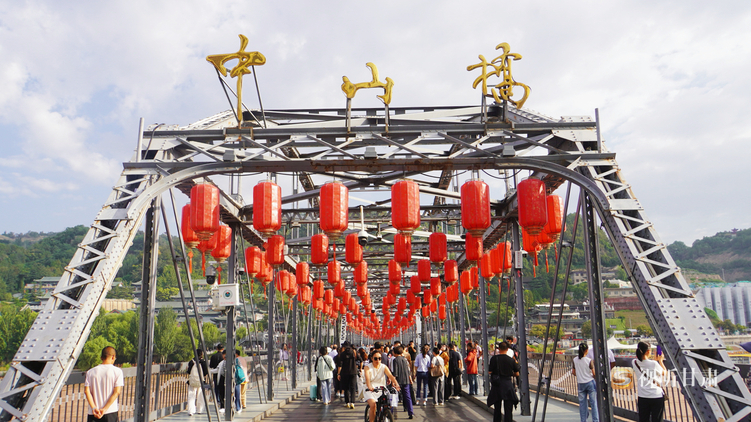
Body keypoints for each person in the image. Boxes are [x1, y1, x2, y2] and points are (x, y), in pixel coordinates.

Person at [84, 346, 124, 422]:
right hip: (110, 411)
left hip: (93, 413)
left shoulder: (90, 372)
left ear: (101, 358)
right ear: (113, 357)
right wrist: (104, 409)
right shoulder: (117, 371)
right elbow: (117, 392)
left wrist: (94, 408)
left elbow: (87, 391)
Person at [632, 341, 666, 422]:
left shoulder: (634, 362)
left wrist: (654, 360)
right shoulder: (654, 364)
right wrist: (660, 361)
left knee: (643, 419)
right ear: (648, 351)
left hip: (642, 396)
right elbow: (664, 373)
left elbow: (645, 364)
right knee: (657, 420)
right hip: (656, 396)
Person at [364, 350, 400, 422]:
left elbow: (390, 376)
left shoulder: (383, 367)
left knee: (387, 403)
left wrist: (396, 384)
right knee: (373, 405)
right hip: (370, 389)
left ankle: (384, 415)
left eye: (379, 358)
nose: (378, 360)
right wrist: (369, 387)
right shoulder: (367, 367)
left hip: (381, 388)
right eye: (375, 358)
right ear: (372, 358)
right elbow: (367, 379)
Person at [487, 342, 520, 422]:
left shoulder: (494, 359)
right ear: (507, 349)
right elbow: (517, 373)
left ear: (499, 349)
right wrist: (509, 373)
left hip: (497, 385)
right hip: (507, 384)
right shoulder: (511, 360)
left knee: (497, 408)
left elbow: (490, 371)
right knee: (508, 408)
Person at [573, 343, 598, 422]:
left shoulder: (575, 360)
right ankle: (595, 420)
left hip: (580, 383)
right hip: (590, 382)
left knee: (582, 404)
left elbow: (573, 372)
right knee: (593, 404)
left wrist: (580, 375)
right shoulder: (589, 360)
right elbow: (594, 374)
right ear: (586, 350)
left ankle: (583, 420)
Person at [391, 346, 414, 419]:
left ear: (395, 353)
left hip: (398, 381)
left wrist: (393, 381)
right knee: (407, 397)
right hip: (406, 380)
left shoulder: (395, 360)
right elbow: (408, 370)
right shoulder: (405, 359)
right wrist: (410, 379)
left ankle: (391, 413)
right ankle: (411, 412)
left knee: (394, 396)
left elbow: (395, 372)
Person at [187, 349, 209, 416]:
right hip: (201, 381)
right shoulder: (203, 362)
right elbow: (206, 372)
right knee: (200, 395)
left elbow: (188, 371)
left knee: (191, 395)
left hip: (192, 381)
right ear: (201, 354)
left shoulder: (191, 362)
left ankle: (191, 411)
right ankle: (200, 410)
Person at [337, 342, 358, 408]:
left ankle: (347, 402)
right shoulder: (354, 352)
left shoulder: (342, 354)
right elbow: (360, 359)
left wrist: (338, 374)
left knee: (346, 388)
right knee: (353, 387)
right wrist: (359, 368)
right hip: (353, 372)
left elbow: (340, 365)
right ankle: (352, 402)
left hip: (345, 373)